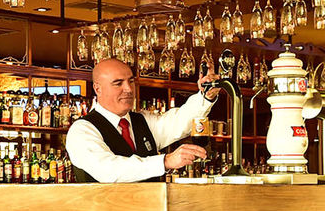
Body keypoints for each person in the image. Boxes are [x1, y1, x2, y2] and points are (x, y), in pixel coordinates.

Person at [66, 58, 220, 182]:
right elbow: (108, 171)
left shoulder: (142, 121)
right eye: (118, 83)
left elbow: (179, 122)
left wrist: (206, 96)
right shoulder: (82, 130)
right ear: (97, 89)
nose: (128, 89)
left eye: (131, 81)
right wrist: (165, 161)